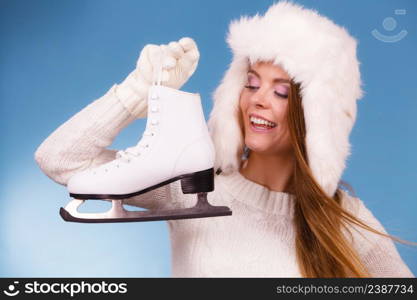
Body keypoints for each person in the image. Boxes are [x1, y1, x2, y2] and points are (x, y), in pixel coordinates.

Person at [34, 1, 414, 277]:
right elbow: (62, 160)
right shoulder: (192, 189)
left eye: (281, 92)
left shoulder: (344, 220)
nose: (258, 99)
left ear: (317, 119)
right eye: (251, 84)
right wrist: (137, 93)